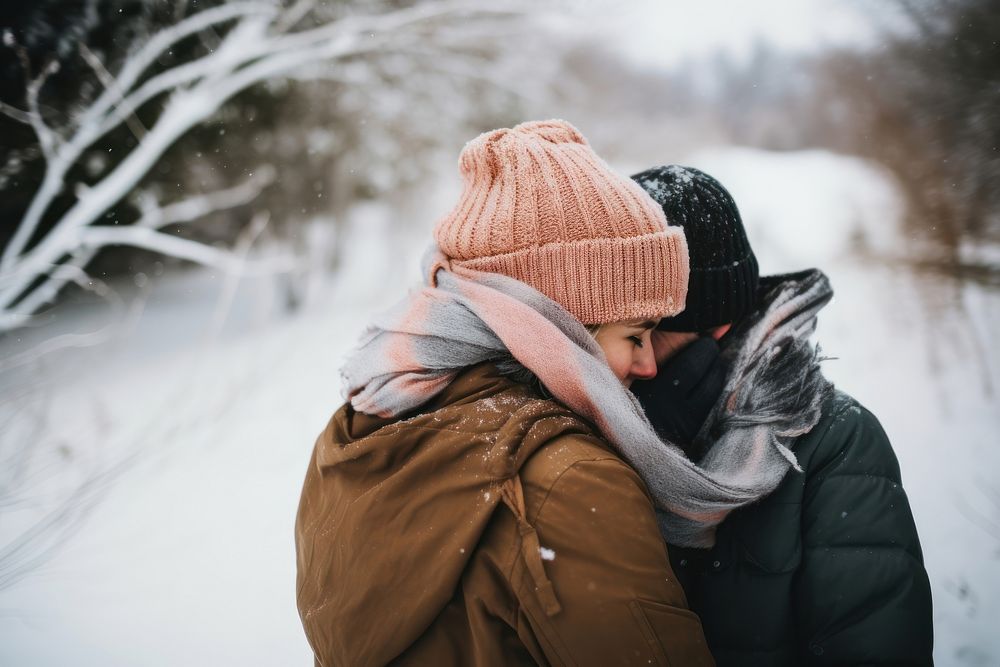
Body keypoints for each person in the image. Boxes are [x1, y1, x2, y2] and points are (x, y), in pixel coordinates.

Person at [295, 121, 722, 666]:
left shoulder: (364, 424)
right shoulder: (568, 479)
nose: (647, 364)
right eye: (634, 335)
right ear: (554, 326)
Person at [630, 165, 934, 666]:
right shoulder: (590, 414)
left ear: (717, 322)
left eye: (646, 329)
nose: (626, 358)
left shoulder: (835, 442)